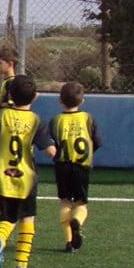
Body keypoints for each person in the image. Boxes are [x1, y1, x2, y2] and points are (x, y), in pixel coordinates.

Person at [0, 74, 56, 268]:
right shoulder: (36, 121)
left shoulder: (1, 115)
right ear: (34, 97)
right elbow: (50, 150)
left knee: (7, 218)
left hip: (1, 176)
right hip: (26, 178)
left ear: (10, 96)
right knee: (27, 219)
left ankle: (0, 237)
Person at [49, 81, 102, 253]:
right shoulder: (88, 118)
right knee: (80, 203)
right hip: (81, 166)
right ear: (82, 100)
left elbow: (51, 144)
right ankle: (77, 221)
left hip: (62, 166)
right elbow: (98, 141)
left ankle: (69, 242)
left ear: (60, 100)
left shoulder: (56, 120)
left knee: (65, 201)